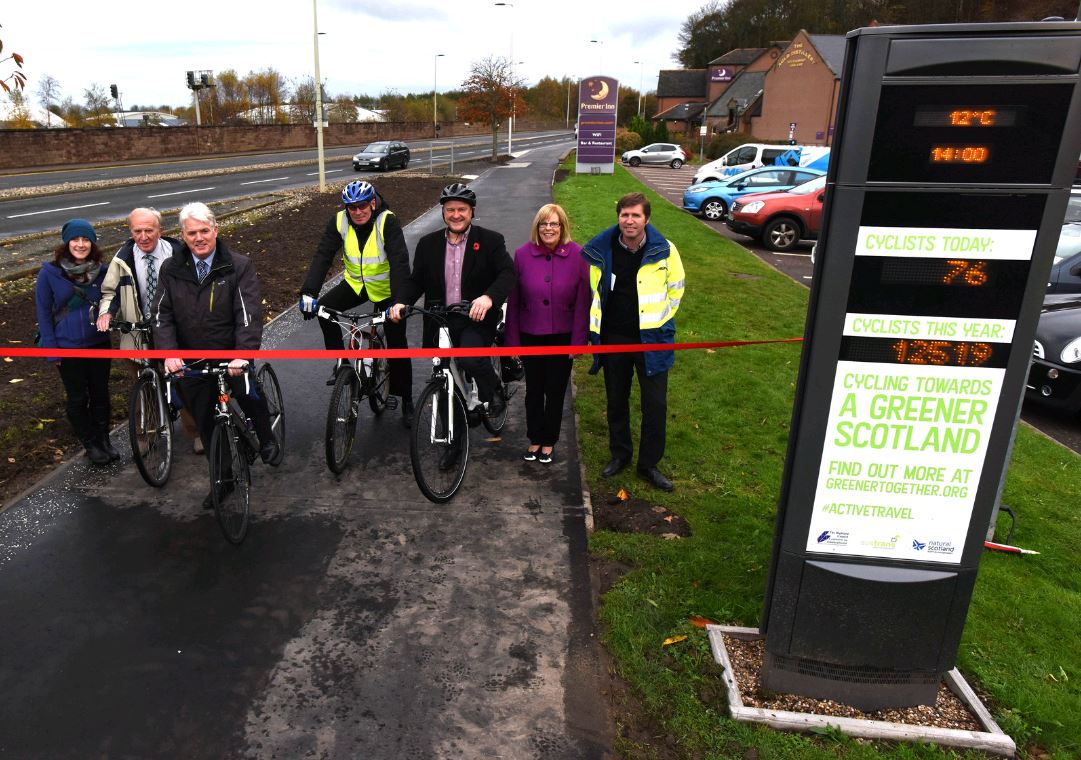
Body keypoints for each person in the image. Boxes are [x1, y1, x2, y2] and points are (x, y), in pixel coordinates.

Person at [153, 202, 278, 508]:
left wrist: (242, 354)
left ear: (215, 230)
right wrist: (169, 354)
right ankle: (221, 480)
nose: (199, 238)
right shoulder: (171, 269)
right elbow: (161, 315)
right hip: (191, 360)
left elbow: (248, 314)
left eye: (204, 231)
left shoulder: (238, 265)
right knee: (207, 423)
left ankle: (266, 435)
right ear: (183, 235)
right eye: (192, 233)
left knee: (248, 393)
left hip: (230, 352)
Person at [580, 192, 685, 492]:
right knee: (616, 400)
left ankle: (649, 464)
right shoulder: (603, 249)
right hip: (615, 338)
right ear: (618, 218)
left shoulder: (665, 250)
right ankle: (620, 455)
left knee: (655, 404)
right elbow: (595, 292)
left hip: (653, 339)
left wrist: (660, 319)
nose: (629, 220)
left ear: (646, 219)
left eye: (636, 215)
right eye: (625, 215)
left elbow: (676, 288)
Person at [389, 183, 516, 420]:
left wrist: (488, 297)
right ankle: (454, 444)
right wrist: (401, 302)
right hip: (440, 318)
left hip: (474, 318)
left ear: (472, 212)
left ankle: (494, 390)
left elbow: (508, 273)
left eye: (462, 209)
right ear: (443, 212)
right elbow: (417, 280)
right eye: (450, 210)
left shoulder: (490, 241)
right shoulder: (428, 244)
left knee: (470, 357)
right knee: (444, 374)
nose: (456, 215)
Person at [299, 180, 414, 425]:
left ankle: (406, 398)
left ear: (372, 203)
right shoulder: (339, 221)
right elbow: (323, 256)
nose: (358, 212)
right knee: (323, 311)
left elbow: (400, 262)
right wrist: (309, 292)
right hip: (356, 285)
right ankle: (341, 363)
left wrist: (401, 301)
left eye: (362, 206)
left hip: (386, 290)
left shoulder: (387, 221)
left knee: (397, 339)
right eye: (352, 208)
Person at [95, 207, 204, 453]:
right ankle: (146, 433)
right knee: (142, 387)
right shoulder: (122, 259)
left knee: (183, 382)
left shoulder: (178, 253)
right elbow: (109, 291)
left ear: (160, 231)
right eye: (137, 231)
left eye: (149, 230)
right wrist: (106, 312)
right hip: (137, 333)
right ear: (131, 231)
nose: (143, 236)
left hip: (174, 331)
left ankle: (197, 431)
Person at [505, 203, 589, 464]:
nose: (548, 228)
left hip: (562, 335)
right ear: (537, 227)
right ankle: (535, 438)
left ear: (562, 227)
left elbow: (583, 302)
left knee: (555, 390)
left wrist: (578, 341)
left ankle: (549, 440)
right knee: (534, 390)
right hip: (531, 333)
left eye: (554, 224)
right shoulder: (522, 254)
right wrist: (513, 342)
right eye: (544, 224)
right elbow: (514, 301)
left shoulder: (578, 255)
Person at [35, 219, 115, 465]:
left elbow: (113, 298)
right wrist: (52, 350)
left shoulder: (104, 271)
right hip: (67, 347)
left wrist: (109, 313)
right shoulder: (50, 273)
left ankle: (104, 439)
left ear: (92, 242)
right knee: (78, 397)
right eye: (75, 239)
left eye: (86, 240)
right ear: (66, 242)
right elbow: (43, 313)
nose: (81, 244)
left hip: (98, 344)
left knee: (101, 394)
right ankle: (90, 443)